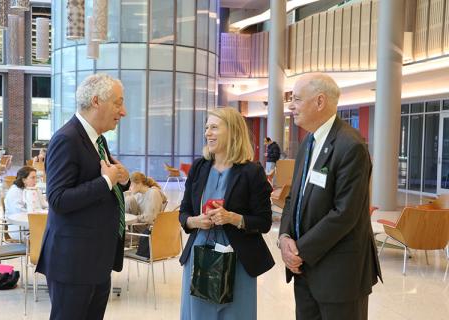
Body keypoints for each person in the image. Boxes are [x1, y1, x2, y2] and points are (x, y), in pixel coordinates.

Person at [278, 73, 382, 320]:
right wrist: (284, 238)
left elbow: (344, 214)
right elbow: (294, 197)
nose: (291, 106)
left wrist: (298, 250)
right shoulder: (308, 143)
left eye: (297, 99)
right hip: (305, 270)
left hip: (339, 275)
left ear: (320, 101)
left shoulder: (351, 146)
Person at [36, 74, 130, 320]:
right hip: (73, 264)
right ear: (97, 101)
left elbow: (102, 184)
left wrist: (120, 179)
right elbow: (58, 199)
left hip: (97, 260)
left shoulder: (96, 138)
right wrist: (106, 181)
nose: (124, 111)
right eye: (118, 103)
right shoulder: (66, 139)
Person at [179, 107, 275, 319]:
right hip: (199, 254)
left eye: (214, 127)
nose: (207, 133)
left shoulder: (252, 172)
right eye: (206, 128)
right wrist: (195, 221)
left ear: (232, 131)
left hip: (238, 259)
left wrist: (233, 218)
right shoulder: (199, 167)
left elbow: (264, 221)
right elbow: (184, 211)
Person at [4, 166, 48, 239]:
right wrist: (38, 212)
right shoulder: (15, 192)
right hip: (19, 229)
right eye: (33, 178)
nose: (36, 180)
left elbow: (44, 204)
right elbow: (18, 212)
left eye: (36, 177)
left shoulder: (32, 189)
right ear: (24, 180)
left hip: (32, 225)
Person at [124, 171, 167, 245]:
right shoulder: (138, 195)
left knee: (115, 237)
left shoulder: (153, 193)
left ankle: (137, 241)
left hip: (146, 232)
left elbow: (149, 218)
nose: (129, 188)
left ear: (139, 183)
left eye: (131, 185)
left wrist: (134, 218)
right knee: (129, 199)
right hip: (137, 228)